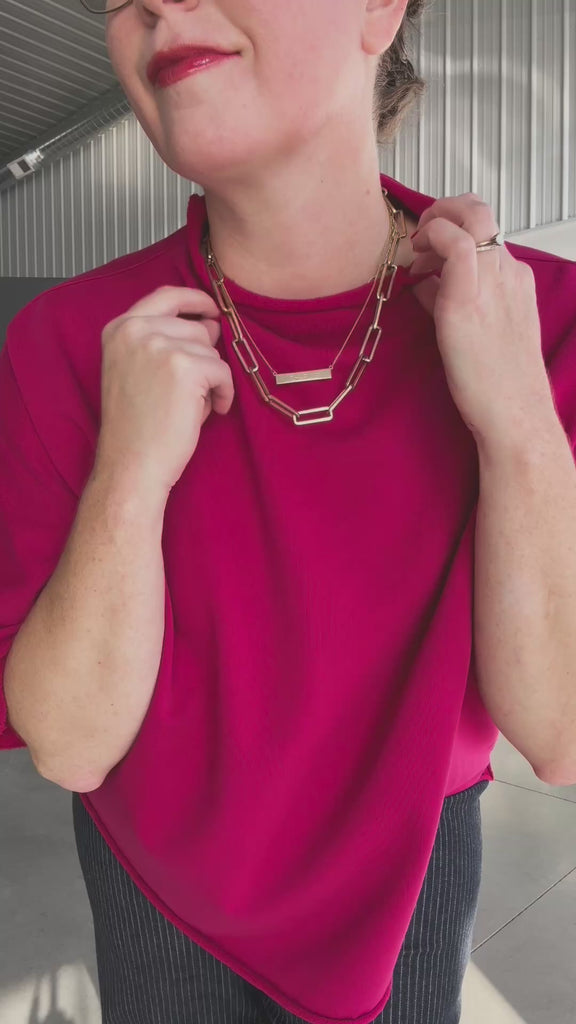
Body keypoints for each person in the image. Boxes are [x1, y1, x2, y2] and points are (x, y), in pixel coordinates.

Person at [2, 1, 576, 1022]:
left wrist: (519, 423)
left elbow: (562, 730)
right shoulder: (68, 339)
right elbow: (70, 743)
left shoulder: (542, 320)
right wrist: (128, 475)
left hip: (414, 857)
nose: (152, 3)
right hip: (151, 876)